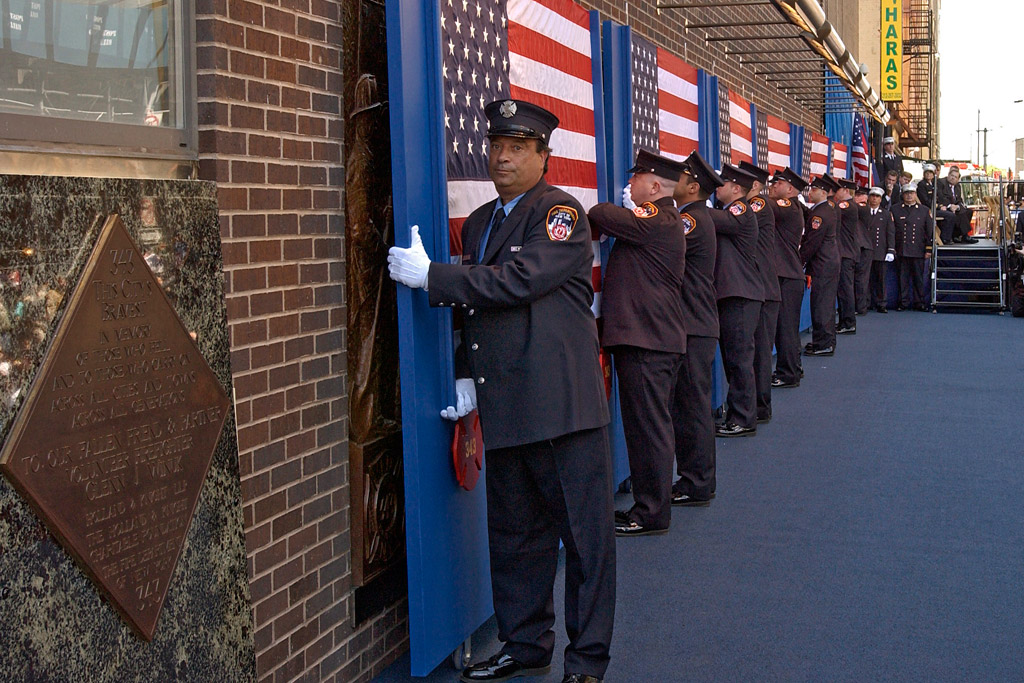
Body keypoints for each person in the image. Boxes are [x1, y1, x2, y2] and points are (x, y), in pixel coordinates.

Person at [387, 99, 614, 683]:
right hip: (507, 402)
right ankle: (526, 642)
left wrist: (432, 276)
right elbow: (476, 307)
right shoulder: (484, 219)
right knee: (516, 540)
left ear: (544, 156)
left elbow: (519, 281)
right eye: (496, 146)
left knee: (584, 543)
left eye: (517, 147)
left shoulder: (560, 212)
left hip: (561, 409)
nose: (502, 157)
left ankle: (586, 661)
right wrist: (465, 370)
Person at [589, 149, 687, 537]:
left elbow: (600, 213)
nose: (629, 185)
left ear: (654, 185)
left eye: (635, 180)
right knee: (650, 428)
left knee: (649, 431)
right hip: (651, 339)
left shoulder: (658, 217)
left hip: (649, 342)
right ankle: (650, 506)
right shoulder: (662, 220)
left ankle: (651, 512)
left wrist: (626, 210)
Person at [670, 151, 724, 507]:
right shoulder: (694, 216)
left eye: (679, 176)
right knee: (691, 406)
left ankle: (697, 481)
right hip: (696, 322)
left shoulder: (690, 220)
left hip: (694, 324)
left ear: (692, 186)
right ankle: (696, 478)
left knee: (692, 408)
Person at [709, 164, 763, 437]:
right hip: (734, 293)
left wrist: (684, 206)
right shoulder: (729, 210)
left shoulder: (739, 209)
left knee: (740, 359)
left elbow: (722, 223)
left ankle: (743, 418)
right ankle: (739, 415)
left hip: (740, 294)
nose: (717, 187)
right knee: (735, 359)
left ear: (737, 189)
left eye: (722, 183)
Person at [739, 160, 780, 424]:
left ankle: (760, 406)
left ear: (755, 185)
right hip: (762, 286)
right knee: (758, 350)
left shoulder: (759, 204)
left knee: (760, 351)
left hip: (763, 287)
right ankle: (759, 405)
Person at [768, 167, 807, 388]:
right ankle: (793, 367)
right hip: (787, 273)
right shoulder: (792, 208)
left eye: (778, 184)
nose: (773, 186)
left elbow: (767, 206)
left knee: (785, 328)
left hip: (787, 275)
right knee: (787, 328)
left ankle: (788, 373)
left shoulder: (788, 206)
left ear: (790, 189)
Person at [800, 174, 841, 356]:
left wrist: (799, 260)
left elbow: (812, 243)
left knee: (821, 304)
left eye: (814, 189)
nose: (811, 192)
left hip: (822, 263)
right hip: (828, 262)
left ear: (823, 192)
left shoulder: (820, 214)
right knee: (826, 303)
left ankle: (823, 343)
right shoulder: (825, 210)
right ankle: (826, 340)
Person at [892, 182, 934, 311]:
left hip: (918, 249)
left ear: (916, 194)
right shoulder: (895, 209)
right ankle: (903, 302)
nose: (909, 196)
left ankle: (919, 302)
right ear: (903, 195)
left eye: (912, 193)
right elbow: (892, 230)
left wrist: (928, 248)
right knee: (902, 278)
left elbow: (929, 231)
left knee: (919, 279)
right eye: (907, 193)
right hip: (902, 249)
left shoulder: (924, 210)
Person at [861, 187, 896, 312]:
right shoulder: (863, 212)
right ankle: (866, 302)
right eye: (872, 196)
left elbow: (890, 233)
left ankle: (882, 303)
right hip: (865, 250)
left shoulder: (886, 214)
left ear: (881, 199)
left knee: (881, 279)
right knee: (866, 279)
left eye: (877, 197)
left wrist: (891, 250)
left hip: (880, 250)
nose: (874, 199)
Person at [834, 179, 861, 334]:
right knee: (843, 289)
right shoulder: (850, 206)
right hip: (846, 251)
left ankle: (848, 322)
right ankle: (845, 320)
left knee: (845, 289)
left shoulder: (846, 206)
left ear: (845, 190)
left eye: (837, 190)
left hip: (846, 252)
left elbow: (832, 211)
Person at [936, 166, 978, 244]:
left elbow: (959, 200)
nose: (953, 178)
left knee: (968, 212)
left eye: (955, 177)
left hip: (954, 207)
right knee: (960, 214)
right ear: (948, 175)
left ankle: (957, 235)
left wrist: (957, 207)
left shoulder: (957, 186)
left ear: (958, 179)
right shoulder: (941, 183)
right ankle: (965, 236)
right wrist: (950, 206)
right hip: (944, 207)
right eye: (952, 175)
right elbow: (941, 197)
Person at [853, 186, 874, 315]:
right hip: (857, 246)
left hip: (864, 247)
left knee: (861, 278)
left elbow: (856, 208)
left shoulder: (864, 208)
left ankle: (860, 307)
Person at [917, 163, 950, 243]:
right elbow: (926, 200)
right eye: (926, 173)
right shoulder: (922, 185)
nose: (928, 174)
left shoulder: (935, 183)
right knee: (950, 216)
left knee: (951, 213)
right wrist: (938, 207)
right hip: (929, 209)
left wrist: (943, 205)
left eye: (930, 173)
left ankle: (946, 236)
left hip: (936, 208)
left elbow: (940, 197)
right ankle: (944, 238)